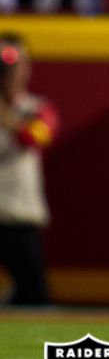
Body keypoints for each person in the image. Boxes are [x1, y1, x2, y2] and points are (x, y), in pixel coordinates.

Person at [0, 33, 57, 305]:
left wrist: (6, 117)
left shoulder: (37, 108)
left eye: (18, 63)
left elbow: (37, 137)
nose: (11, 71)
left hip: (18, 215)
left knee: (35, 295)